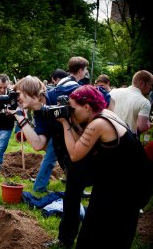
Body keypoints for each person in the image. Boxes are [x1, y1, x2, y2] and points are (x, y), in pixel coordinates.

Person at [11, 57, 101, 248]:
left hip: (93, 152)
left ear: (31, 91)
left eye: (19, 94)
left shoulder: (63, 93)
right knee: (71, 198)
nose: (17, 98)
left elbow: (103, 99)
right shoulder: (38, 113)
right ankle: (65, 240)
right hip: (70, 158)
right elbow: (37, 144)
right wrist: (21, 119)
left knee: (98, 196)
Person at [56, 85, 142, 248]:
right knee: (113, 233)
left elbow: (74, 154)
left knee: (95, 234)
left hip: (120, 188)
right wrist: (72, 120)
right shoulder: (106, 114)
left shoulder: (98, 124)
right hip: (125, 183)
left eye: (72, 109)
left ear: (87, 107)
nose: (70, 112)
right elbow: (81, 141)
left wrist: (65, 123)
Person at [110, 70, 153, 134]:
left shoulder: (113, 92)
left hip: (108, 135)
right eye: (150, 84)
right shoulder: (144, 102)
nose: (151, 87)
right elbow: (142, 127)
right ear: (142, 83)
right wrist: (149, 124)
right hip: (127, 139)